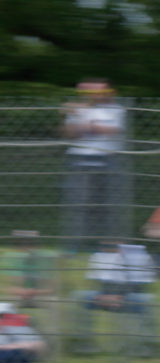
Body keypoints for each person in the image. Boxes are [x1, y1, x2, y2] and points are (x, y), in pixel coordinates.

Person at [62, 79, 128, 252]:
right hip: (79, 160)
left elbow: (112, 131)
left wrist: (85, 124)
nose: (96, 95)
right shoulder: (75, 110)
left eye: (100, 91)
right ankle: (73, 247)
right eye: (91, 92)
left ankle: (107, 248)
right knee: (77, 206)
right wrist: (82, 120)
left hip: (108, 160)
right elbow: (70, 134)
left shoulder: (116, 110)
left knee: (109, 206)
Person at [68, 239, 158, 356]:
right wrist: (104, 295)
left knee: (147, 300)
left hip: (129, 297)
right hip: (104, 296)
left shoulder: (139, 257)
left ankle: (145, 346)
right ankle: (84, 342)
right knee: (80, 296)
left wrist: (119, 296)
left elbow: (141, 285)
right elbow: (97, 281)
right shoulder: (98, 257)